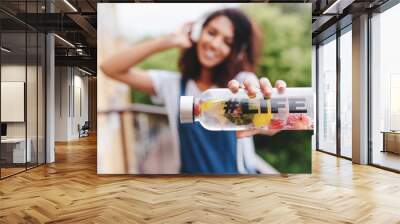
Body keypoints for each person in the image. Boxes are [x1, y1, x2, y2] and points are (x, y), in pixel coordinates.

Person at [101, 8, 287, 174]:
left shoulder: (238, 84)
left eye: (227, 42)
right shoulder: (172, 85)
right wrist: (165, 42)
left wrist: (268, 111)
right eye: (211, 33)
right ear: (199, 33)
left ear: (235, 51)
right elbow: (110, 68)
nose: (214, 44)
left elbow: (265, 115)